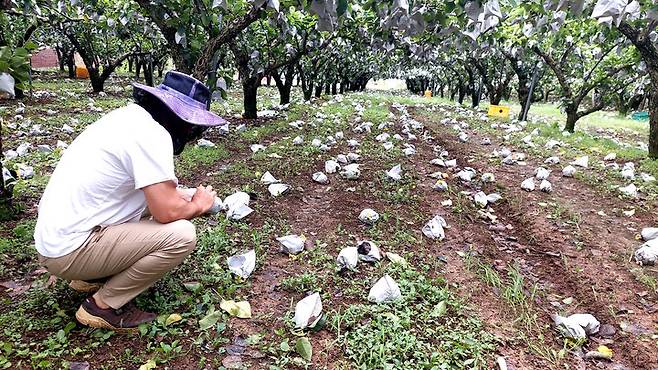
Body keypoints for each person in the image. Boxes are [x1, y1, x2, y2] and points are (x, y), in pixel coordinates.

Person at [33, 71, 227, 331]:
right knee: (182, 235)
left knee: (151, 207)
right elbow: (167, 210)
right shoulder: (152, 135)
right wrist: (198, 206)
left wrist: (187, 196)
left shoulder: (128, 119)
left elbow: (159, 193)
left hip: (58, 240)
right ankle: (102, 306)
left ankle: (92, 275)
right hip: (69, 250)